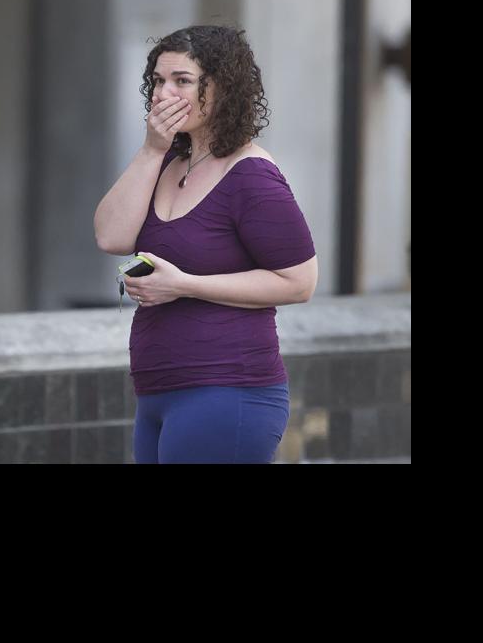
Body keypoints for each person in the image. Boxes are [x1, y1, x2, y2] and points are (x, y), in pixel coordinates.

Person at [93, 25, 317, 464]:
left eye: (182, 81)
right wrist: (152, 150)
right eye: (158, 81)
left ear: (221, 89)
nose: (163, 94)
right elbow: (111, 236)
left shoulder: (251, 174)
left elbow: (299, 282)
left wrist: (186, 284)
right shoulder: (167, 162)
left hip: (229, 390)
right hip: (158, 392)